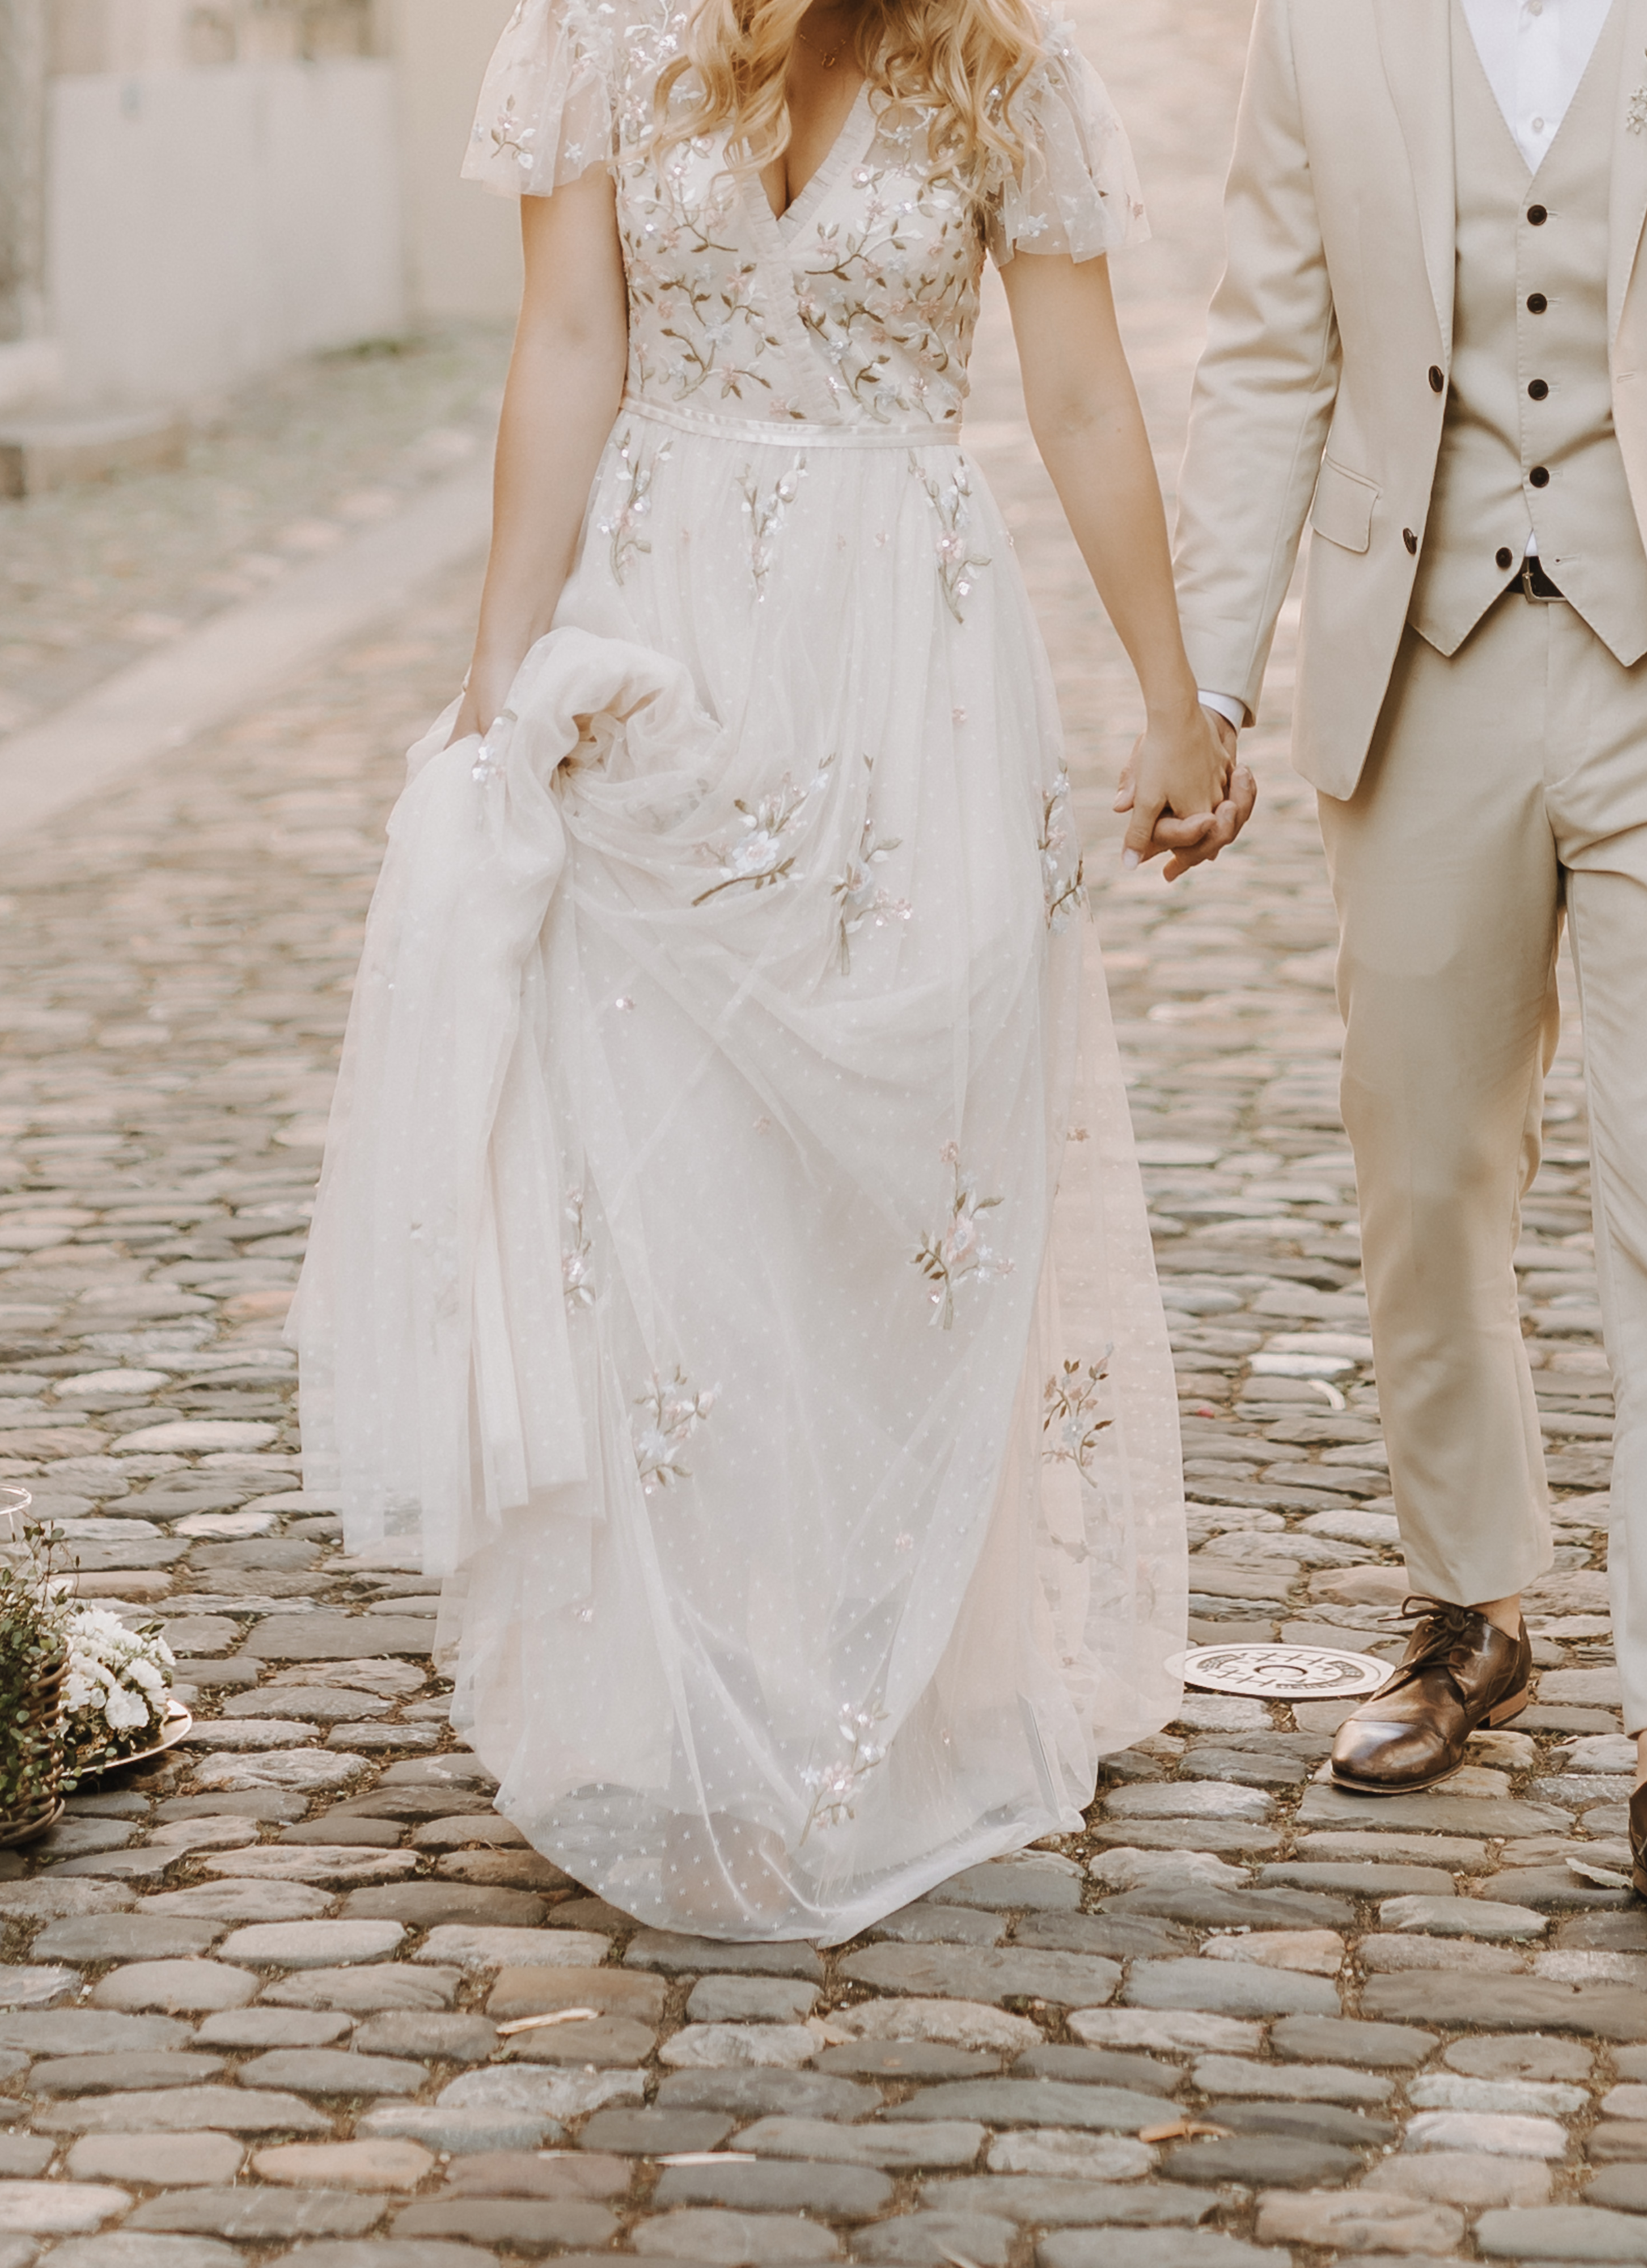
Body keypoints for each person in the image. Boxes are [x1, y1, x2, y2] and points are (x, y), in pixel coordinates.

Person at [293, 0, 1247, 1942]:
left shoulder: (1007, 63)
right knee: (657, 1172)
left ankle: (878, 1692)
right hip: (670, 648)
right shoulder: (592, 36)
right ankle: (671, 1687)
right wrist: (501, 674)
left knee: (905, 1184)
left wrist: (1174, 695)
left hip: (910, 665)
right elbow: (566, 344)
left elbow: (1077, 394)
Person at [1171, 0, 1647, 1960]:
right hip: (1417, 660)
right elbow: (1270, 351)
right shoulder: (1322, 31)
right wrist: (1201, 680)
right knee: (1425, 1171)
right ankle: (1473, 1606)